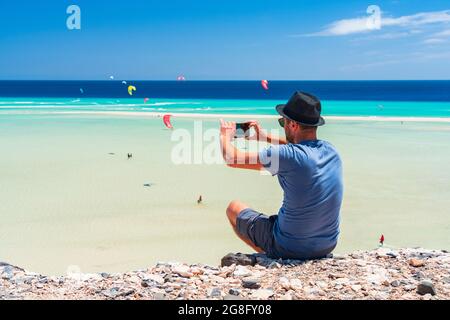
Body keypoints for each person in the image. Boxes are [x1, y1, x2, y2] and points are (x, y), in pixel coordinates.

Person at [220, 91, 343, 260]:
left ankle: (271, 255)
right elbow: (299, 148)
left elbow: (231, 158)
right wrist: (263, 137)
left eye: (282, 122)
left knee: (233, 208)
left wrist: (224, 136)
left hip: (290, 247)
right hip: (326, 245)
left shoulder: (287, 156)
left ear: (293, 125)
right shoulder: (331, 151)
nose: (282, 125)